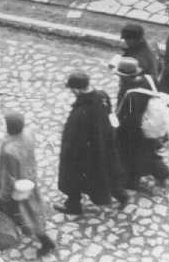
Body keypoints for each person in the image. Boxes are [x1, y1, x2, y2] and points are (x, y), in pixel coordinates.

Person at [55, 72, 128, 215]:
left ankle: (73, 206)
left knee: (73, 178)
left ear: (77, 90)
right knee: (108, 173)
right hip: (105, 146)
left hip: (86, 154)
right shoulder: (102, 96)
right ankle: (121, 196)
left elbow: (74, 141)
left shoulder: (81, 112)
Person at [0, 112, 56, 257]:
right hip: (30, 179)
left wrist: (4, 194)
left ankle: (45, 241)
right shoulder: (28, 134)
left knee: (26, 212)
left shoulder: (8, 149)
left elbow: (7, 176)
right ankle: (24, 227)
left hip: (18, 188)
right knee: (31, 208)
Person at [114, 57, 169, 190]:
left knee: (134, 156)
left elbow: (128, 120)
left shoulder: (129, 94)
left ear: (124, 77)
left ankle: (133, 181)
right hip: (152, 124)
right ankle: (162, 174)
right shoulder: (149, 79)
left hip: (137, 132)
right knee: (149, 153)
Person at [116, 24, 160, 102]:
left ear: (135, 39)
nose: (125, 41)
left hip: (135, 92)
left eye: (127, 39)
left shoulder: (140, 58)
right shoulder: (143, 46)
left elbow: (130, 78)